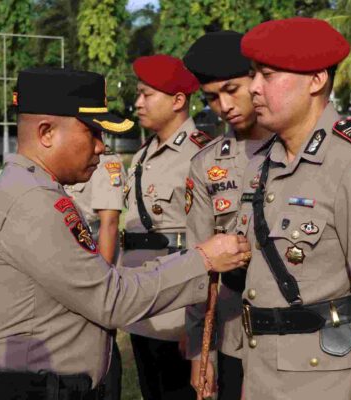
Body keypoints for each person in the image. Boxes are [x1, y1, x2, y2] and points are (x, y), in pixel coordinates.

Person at [0, 67, 251, 400]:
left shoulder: (33, 188)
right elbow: (110, 298)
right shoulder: (31, 200)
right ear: (46, 132)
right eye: (92, 132)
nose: (100, 147)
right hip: (36, 389)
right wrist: (202, 259)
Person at [238, 17, 351, 399]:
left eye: (267, 75)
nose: (253, 88)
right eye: (253, 75)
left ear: (316, 80)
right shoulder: (263, 162)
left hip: (325, 383)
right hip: (263, 373)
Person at [182, 30, 273, 400]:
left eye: (231, 89)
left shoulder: (298, 150)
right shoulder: (206, 163)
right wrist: (197, 351)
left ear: (257, 77)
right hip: (238, 333)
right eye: (211, 98)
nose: (223, 106)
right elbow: (197, 264)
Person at [120, 54, 211, 400]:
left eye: (147, 94)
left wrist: (198, 324)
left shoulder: (201, 155)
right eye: (138, 94)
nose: (137, 102)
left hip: (177, 314)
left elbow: (206, 245)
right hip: (141, 308)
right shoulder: (141, 156)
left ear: (177, 101)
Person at [62, 144, 126, 400]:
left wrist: (102, 282)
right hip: (65, 268)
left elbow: (109, 224)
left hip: (91, 267)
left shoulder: (105, 161)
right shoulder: (66, 156)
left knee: (99, 342)